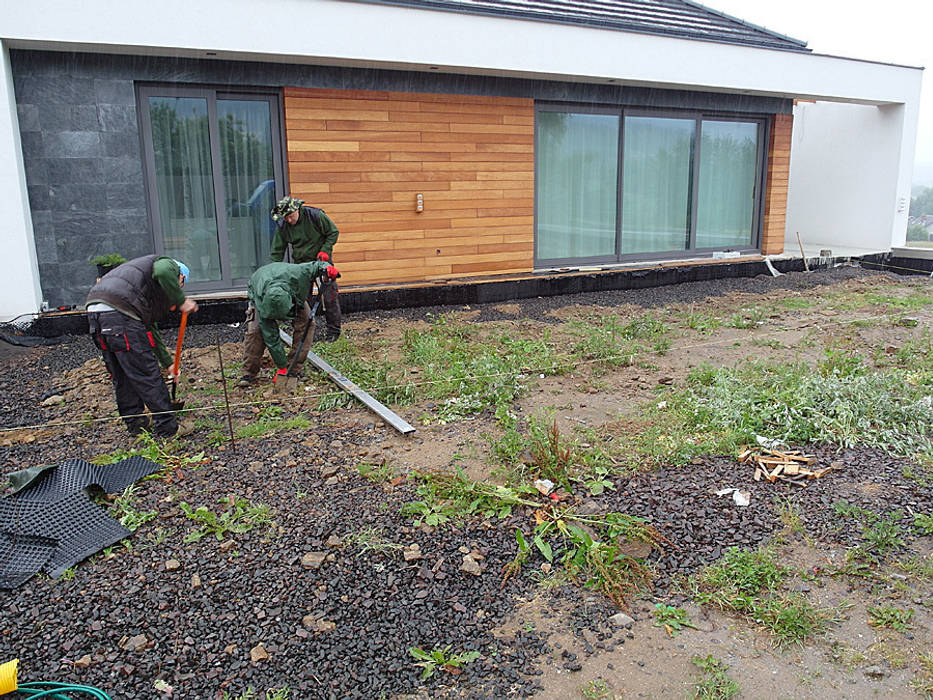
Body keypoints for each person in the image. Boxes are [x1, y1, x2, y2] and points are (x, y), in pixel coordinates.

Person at [86, 255, 198, 437]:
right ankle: (168, 429)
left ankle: (136, 425)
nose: (177, 289)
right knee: (147, 373)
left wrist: (169, 363)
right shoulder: (167, 265)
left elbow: (149, 330)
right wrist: (181, 301)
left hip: (96, 314)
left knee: (122, 375)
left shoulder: (140, 289)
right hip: (120, 315)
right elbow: (163, 270)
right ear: (181, 277)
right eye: (180, 285)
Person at [237, 260, 338, 387]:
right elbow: (271, 337)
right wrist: (281, 366)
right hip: (260, 288)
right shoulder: (262, 301)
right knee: (256, 331)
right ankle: (248, 373)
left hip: (292, 289)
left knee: (307, 323)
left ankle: (295, 368)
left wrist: (327, 268)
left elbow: (316, 265)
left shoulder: (299, 273)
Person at [270, 196, 342, 341]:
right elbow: (277, 250)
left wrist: (325, 250)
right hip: (301, 266)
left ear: (297, 209)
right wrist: (273, 271)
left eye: (290, 216)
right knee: (302, 300)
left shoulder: (315, 216)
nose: (288, 220)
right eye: (285, 218)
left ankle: (333, 332)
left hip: (320, 263)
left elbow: (333, 232)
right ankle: (304, 332)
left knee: (330, 297)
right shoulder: (284, 226)